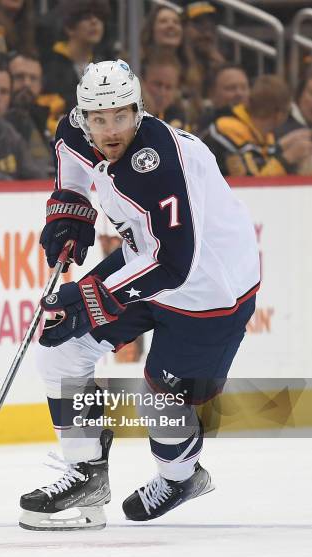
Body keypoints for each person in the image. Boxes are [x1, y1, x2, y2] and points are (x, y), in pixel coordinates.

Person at [19, 59, 260, 531]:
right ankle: (86, 471)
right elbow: (71, 173)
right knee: (60, 350)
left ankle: (181, 476)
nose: (111, 129)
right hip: (145, 256)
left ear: (139, 111)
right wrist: (69, 216)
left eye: (122, 116)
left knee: (160, 399)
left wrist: (90, 297)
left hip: (210, 289)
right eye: (100, 118)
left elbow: (175, 263)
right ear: (83, 115)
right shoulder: (74, 130)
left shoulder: (161, 164)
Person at [204, 75, 312, 176]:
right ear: (279, 115)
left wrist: (281, 146)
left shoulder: (265, 136)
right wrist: (288, 157)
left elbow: (261, 159)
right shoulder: (228, 129)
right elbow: (251, 182)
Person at [42, 0, 110, 113]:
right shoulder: (50, 65)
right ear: (70, 28)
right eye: (86, 17)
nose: (94, 21)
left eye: (99, 16)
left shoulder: (105, 65)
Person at [6, 53, 63, 176]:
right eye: (19, 77)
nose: (27, 84)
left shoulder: (45, 121)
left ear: (41, 85)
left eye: (33, 78)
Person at [141, 51, 190, 130]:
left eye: (168, 87)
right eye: (157, 84)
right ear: (143, 82)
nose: (162, 93)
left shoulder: (177, 119)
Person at [197, 63, 250, 136]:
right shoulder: (205, 130)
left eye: (244, 87)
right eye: (231, 88)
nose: (239, 93)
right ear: (212, 93)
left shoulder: (261, 126)